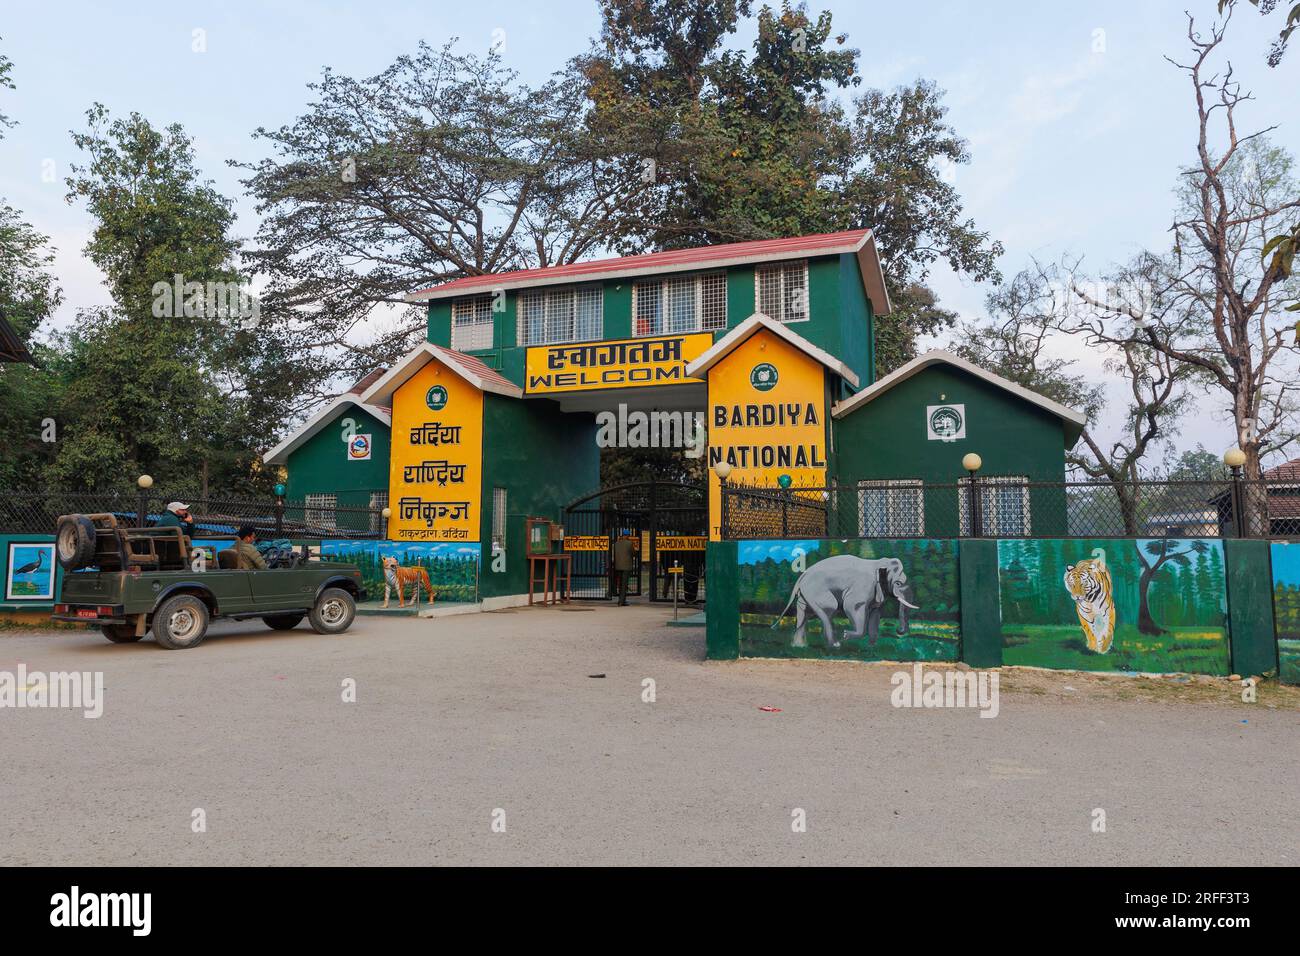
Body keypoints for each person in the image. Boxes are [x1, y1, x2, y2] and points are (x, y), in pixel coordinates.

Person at [611, 532, 636, 606]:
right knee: (624, 584)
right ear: (627, 535)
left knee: (620, 584)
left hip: (618, 566)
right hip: (626, 566)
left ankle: (620, 599)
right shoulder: (629, 543)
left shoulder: (616, 544)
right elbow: (633, 553)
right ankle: (622, 601)